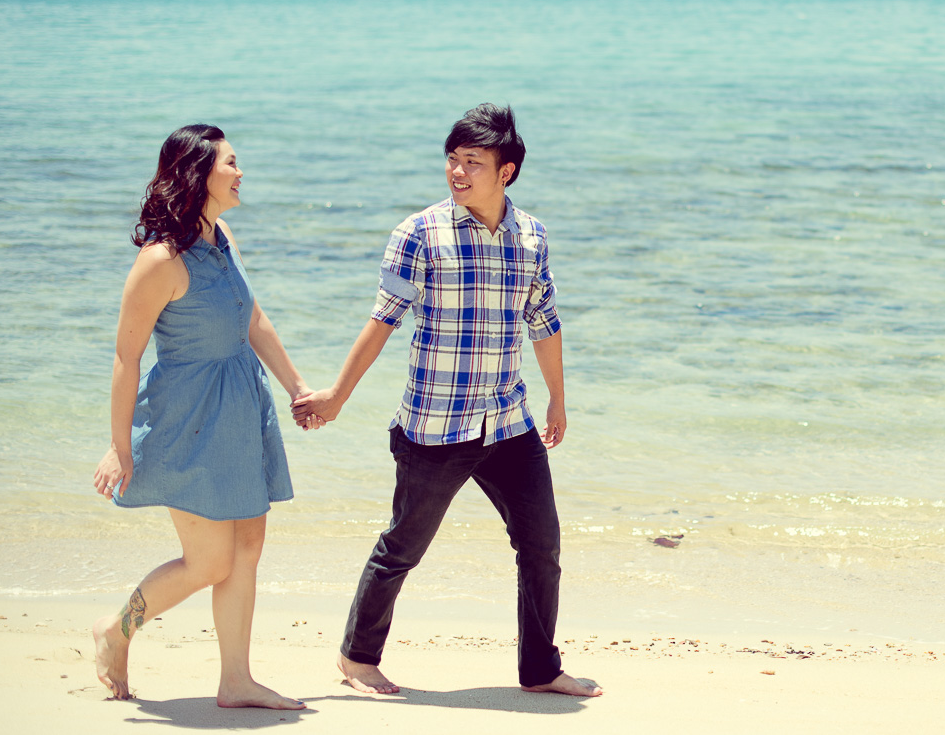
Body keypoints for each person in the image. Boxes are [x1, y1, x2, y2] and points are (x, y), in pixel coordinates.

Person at [290, 103, 600, 698]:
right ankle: (357, 658)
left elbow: (545, 321)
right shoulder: (419, 234)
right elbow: (382, 321)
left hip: (510, 420)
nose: (457, 173)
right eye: (452, 161)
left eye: (472, 163)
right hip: (437, 425)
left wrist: (558, 400)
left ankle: (540, 669)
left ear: (505, 171)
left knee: (542, 544)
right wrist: (336, 397)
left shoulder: (531, 235)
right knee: (402, 546)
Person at [91, 124, 318, 708]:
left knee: (247, 549)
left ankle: (235, 680)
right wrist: (120, 445)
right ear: (200, 173)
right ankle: (116, 631)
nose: (241, 172)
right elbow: (126, 357)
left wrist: (296, 387)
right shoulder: (160, 261)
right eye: (232, 163)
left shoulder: (222, 237)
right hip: (189, 419)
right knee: (209, 560)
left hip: (243, 408)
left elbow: (253, 318)